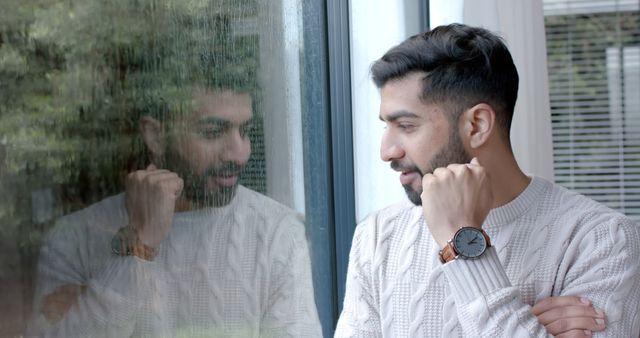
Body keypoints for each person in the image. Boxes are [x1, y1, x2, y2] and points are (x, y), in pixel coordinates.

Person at [335, 23, 640, 337]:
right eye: (387, 126)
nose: (386, 151)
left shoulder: (603, 239)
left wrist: (462, 242)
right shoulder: (377, 236)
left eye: (406, 125)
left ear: (477, 125)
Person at [26, 84, 322, 337]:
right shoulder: (74, 238)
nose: (239, 153)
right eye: (213, 131)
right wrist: (142, 244)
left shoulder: (278, 232)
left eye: (244, 131)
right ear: (155, 135)